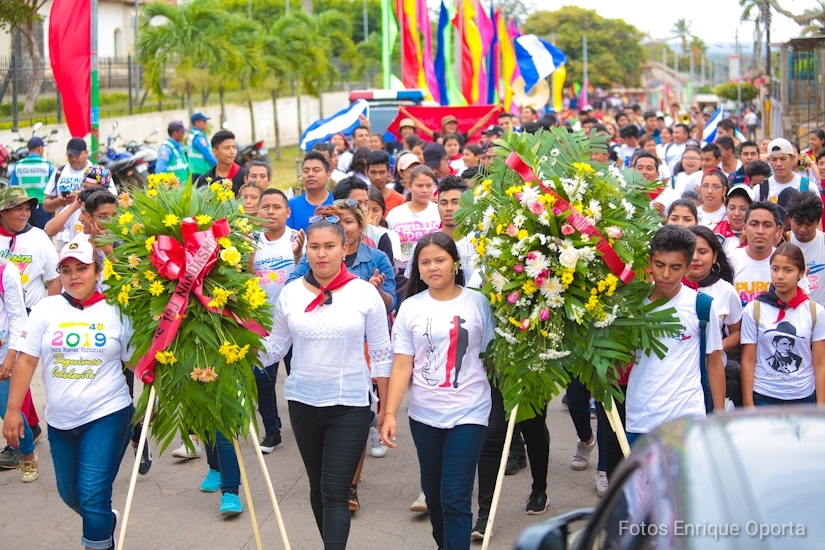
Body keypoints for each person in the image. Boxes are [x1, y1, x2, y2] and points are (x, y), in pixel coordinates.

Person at [261, 216, 393, 549]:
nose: (321, 254)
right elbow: (275, 348)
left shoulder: (364, 294)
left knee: (336, 491)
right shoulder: (290, 294)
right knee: (318, 488)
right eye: (315, 247)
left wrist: (386, 411)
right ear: (305, 251)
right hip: (302, 403)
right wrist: (233, 348)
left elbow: (382, 355)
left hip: (349, 405)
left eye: (330, 246)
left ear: (345, 248)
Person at [2, 234, 134, 550]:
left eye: (82, 268)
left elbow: (136, 360)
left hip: (108, 414)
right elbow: (27, 359)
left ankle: (98, 541)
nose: (74, 276)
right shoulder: (47, 309)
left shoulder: (117, 309)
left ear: (97, 271)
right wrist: (12, 410)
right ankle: (104, 521)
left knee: (92, 493)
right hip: (60, 421)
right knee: (70, 495)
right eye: (66, 270)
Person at [381, 232, 494, 550]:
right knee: (433, 496)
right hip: (424, 414)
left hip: (470, 411)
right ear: (417, 268)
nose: (433, 267)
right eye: (425, 262)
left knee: (455, 496)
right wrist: (389, 413)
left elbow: (493, 356)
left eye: (440, 260)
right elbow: (402, 364)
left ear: (455, 263)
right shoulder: (410, 307)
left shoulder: (478, 303)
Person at [625, 225, 725, 446]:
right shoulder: (631, 305)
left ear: (688, 268)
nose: (666, 274)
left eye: (675, 267)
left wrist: (719, 416)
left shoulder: (701, 306)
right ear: (650, 262)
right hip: (641, 418)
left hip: (687, 419)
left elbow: (715, 361)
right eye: (660, 265)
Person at [741, 243, 825, 406]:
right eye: (775, 269)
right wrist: (748, 403)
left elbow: (820, 362)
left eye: (788, 270)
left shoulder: (815, 312)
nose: (780, 276)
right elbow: (748, 359)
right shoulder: (755, 309)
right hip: (764, 395)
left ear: (801, 273)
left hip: (803, 396)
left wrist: (821, 405)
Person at [252, 189, 303, 454]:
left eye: (277, 207)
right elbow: (243, 278)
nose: (270, 212)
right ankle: (272, 432)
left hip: (294, 324)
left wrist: (298, 255)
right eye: (265, 207)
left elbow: (307, 276)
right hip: (261, 324)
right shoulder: (249, 241)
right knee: (263, 380)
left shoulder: (298, 239)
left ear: (288, 212)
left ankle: (305, 425)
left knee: (298, 376)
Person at [686, 225, 743, 371]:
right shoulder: (671, 287)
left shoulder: (726, 290)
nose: (695, 258)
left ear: (714, 256)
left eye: (702, 252)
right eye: (690, 251)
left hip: (712, 369)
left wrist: (716, 347)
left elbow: (736, 332)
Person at [0, 254, 32, 482]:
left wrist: (11, 355)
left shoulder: (5, 271)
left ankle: (27, 453)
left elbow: (18, 316)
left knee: (7, 409)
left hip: (3, 353)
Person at [386, 166, 442, 295]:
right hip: (403, 276)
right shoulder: (395, 214)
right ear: (409, 186)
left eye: (429, 186)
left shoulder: (439, 212)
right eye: (419, 186)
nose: (425, 190)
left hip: (434, 271)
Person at [42, 137, 105, 249]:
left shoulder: (98, 172)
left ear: (86, 153)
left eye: (77, 155)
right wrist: (63, 202)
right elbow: (48, 229)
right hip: (67, 239)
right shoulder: (60, 172)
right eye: (70, 156)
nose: (74, 159)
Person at [731, 201, 782, 306]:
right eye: (754, 224)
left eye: (767, 225)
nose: (760, 231)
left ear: (777, 230)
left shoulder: (788, 262)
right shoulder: (730, 261)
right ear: (744, 228)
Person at [787, 190, 825, 305]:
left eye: (809, 224)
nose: (803, 229)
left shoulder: (823, 242)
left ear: (818, 222)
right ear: (789, 219)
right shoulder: (782, 242)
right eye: (798, 224)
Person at [8, 136, 54, 229]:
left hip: (23, 207)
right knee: (44, 233)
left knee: (24, 233)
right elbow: (54, 185)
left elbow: (12, 188)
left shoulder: (19, 165)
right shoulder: (47, 165)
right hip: (42, 207)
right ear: (39, 148)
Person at [287, 151, 333, 233]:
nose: (310, 174)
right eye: (306, 171)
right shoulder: (291, 205)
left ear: (328, 175)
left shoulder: (337, 202)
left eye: (316, 170)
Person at [195, 130, 247, 196]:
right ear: (214, 151)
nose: (232, 152)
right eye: (227, 148)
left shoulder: (244, 177)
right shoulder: (205, 180)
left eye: (234, 147)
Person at [764, 138, 816, 202]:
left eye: (783, 159)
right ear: (769, 160)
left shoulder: (808, 187)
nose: (778, 164)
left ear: (792, 158)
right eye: (774, 160)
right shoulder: (761, 189)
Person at [716, 185, 755, 256]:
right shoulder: (716, 235)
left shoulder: (758, 236)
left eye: (743, 209)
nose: (737, 213)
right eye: (732, 208)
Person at [187, 112, 217, 181]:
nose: (206, 123)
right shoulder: (198, 137)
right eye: (204, 121)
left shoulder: (193, 134)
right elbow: (207, 154)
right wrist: (217, 166)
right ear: (197, 123)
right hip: (201, 171)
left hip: (195, 170)